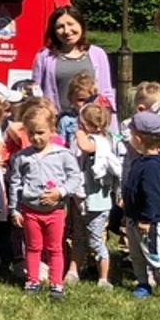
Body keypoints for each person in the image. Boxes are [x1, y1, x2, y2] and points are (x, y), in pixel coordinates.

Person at [8, 104, 83, 299]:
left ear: (52, 131)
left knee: (55, 247)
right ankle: (32, 280)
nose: (36, 138)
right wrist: (14, 210)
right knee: (33, 247)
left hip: (55, 211)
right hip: (30, 210)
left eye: (41, 132)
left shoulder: (63, 155)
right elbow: (15, 183)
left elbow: (75, 178)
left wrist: (60, 192)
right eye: (31, 133)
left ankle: (56, 283)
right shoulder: (21, 157)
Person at [122, 111, 160, 303]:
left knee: (153, 254)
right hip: (133, 217)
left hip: (149, 221)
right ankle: (142, 283)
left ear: (138, 139)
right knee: (136, 255)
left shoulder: (153, 166)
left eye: (131, 135)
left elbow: (153, 195)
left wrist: (147, 219)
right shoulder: (143, 160)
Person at [70, 104, 119, 287]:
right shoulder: (93, 138)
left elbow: (86, 147)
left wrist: (80, 133)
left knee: (96, 241)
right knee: (78, 238)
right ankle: (73, 271)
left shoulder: (100, 141)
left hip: (98, 201)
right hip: (81, 199)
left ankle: (103, 277)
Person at [30, 6, 115, 109]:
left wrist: (110, 121)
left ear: (81, 25)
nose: (66, 31)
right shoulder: (44, 57)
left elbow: (106, 92)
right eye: (60, 27)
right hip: (55, 122)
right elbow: (36, 94)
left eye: (71, 24)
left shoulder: (98, 54)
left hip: (91, 122)